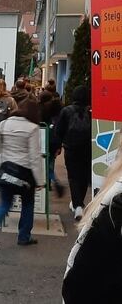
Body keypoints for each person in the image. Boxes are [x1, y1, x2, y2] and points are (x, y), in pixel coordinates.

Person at [62, 141, 122, 303]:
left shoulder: (115, 210)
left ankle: (78, 206)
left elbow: (78, 287)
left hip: (73, 152)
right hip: (83, 154)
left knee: (75, 179)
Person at [0, 99, 44, 247]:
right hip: (25, 173)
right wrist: (39, 180)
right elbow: (35, 156)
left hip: (6, 170)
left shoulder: (4, 124)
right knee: (27, 204)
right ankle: (24, 236)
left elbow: (0, 150)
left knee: (5, 203)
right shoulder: (33, 128)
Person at [55, 86, 92, 221]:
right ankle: (79, 203)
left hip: (71, 148)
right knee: (83, 176)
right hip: (88, 148)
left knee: (73, 176)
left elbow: (59, 131)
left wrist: (57, 147)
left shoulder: (66, 111)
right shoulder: (91, 111)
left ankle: (77, 206)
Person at [39, 88, 65, 197]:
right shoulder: (58, 108)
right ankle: (51, 182)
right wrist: (59, 145)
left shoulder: (39, 108)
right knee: (50, 162)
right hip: (54, 139)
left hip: (42, 138)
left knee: (43, 163)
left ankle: (50, 180)